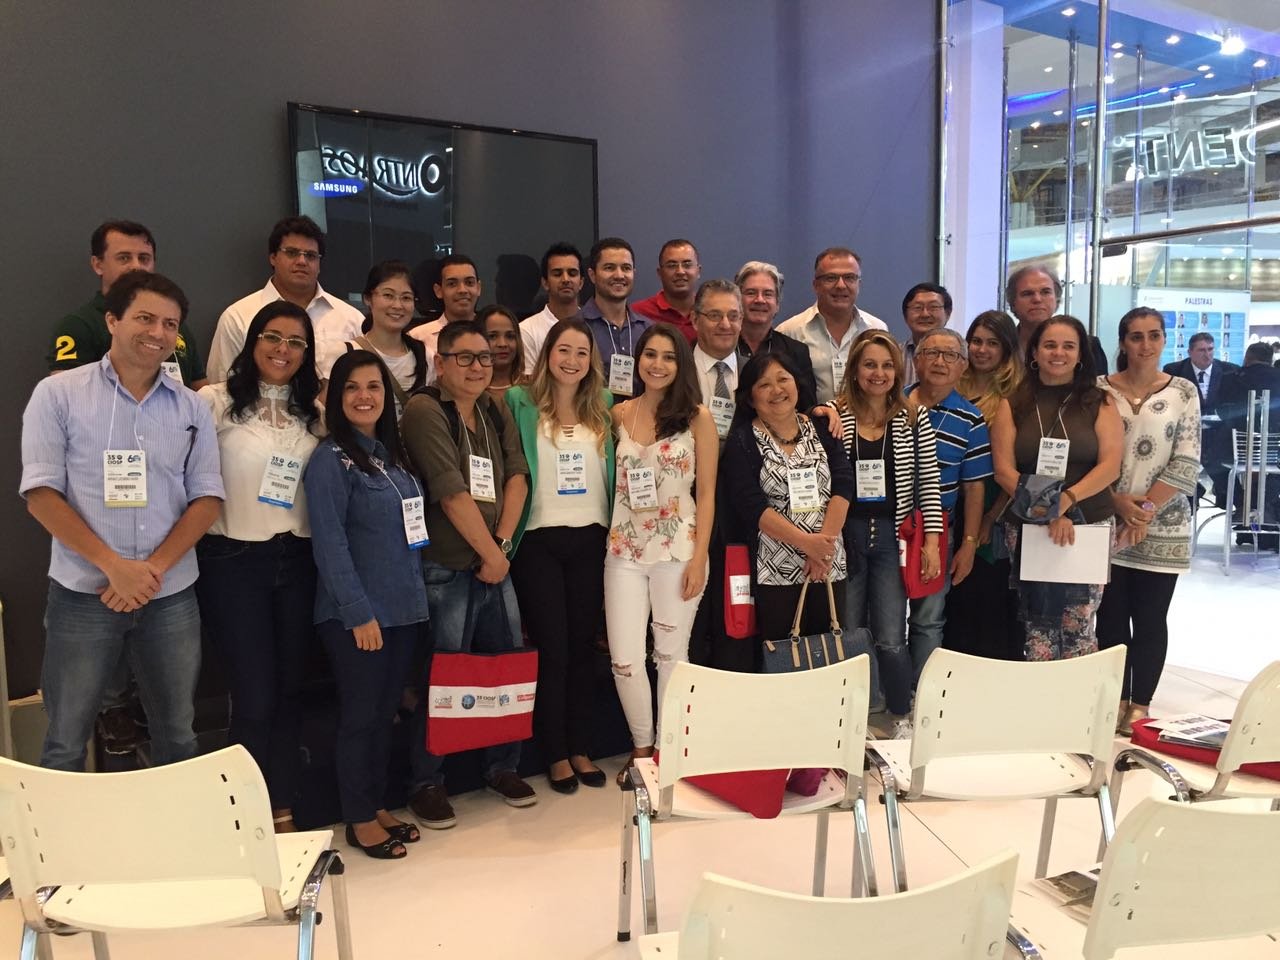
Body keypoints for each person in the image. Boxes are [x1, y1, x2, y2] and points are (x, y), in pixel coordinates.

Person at [20, 270, 224, 771]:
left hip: (169, 594)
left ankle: (171, 822)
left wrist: (149, 571)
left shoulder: (192, 407)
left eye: (170, 324)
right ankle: (64, 826)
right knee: (65, 738)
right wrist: (114, 567)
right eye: (145, 318)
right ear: (112, 320)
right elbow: (41, 495)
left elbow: (206, 499)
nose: (158, 332)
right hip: (83, 593)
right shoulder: (59, 394)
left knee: (178, 734)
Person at [400, 321, 536, 828]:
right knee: (444, 676)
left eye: (485, 357)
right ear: (440, 362)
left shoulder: (492, 408)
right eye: (465, 357)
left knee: (507, 666)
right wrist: (490, 554)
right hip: (448, 565)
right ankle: (426, 782)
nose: (478, 366)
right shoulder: (425, 409)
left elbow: (518, 475)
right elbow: (451, 491)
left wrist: (501, 548)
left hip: (495, 560)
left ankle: (503, 767)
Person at [196, 301, 324, 832]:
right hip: (233, 562)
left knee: (291, 689)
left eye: (296, 342)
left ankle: (283, 807)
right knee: (253, 694)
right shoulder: (215, 403)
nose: (283, 350)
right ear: (252, 343)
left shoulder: (314, 412)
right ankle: (243, 817)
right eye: (272, 337)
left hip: (298, 561)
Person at [304, 350, 429, 859]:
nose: (364, 396)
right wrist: (358, 612)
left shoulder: (392, 458)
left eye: (374, 387)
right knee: (360, 716)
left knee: (384, 715)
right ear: (336, 397)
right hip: (357, 616)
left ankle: (375, 804)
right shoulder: (330, 460)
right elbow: (330, 544)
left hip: (403, 609)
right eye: (352, 387)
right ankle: (357, 817)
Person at [606, 323, 717, 783]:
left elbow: (706, 494)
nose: (657, 364)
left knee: (672, 656)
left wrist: (699, 559)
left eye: (669, 356)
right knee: (625, 659)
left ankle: (669, 752)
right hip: (623, 550)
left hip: (678, 551)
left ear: (681, 364)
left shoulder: (697, 417)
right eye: (650, 354)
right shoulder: (618, 413)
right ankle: (641, 746)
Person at [506, 319, 615, 793]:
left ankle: (581, 747)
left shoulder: (604, 405)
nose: (572, 361)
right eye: (563, 350)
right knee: (553, 649)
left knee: (583, 648)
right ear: (547, 353)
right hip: (538, 540)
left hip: (592, 538)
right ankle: (554, 754)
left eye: (581, 353)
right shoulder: (520, 401)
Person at [991, 315, 1122, 661]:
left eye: (1068, 346)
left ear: (1080, 355)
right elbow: (1004, 470)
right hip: (1029, 525)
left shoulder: (1101, 401)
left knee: (1079, 623)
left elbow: (1110, 466)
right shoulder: (1012, 402)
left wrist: (1066, 500)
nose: (1058, 353)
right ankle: (1040, 694)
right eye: (1049, 345)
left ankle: (1080, 695)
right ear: (1034, 351)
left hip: (1089, 522)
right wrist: (1047, 510)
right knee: (1037, 625)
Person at [1096, 307, 1201, 735]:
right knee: (1110, 617)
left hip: (1164, 524)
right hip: (1106, 519)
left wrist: (1145, 510)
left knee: (1151, 617)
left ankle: (1141, 704)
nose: (1145, 345)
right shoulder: (1100, 389)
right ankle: (1116, 698)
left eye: (1153, 335)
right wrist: (1117, 504)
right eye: (1136, 336)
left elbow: (1188, 458)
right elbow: (1088, 454)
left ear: (1163, 340)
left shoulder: (1183, 391)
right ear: (1123, 342)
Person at [834, 330, 942, 736]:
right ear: (854, 370)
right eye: (869, 365)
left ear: (898, 372)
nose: (878, 373)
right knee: (847, 631)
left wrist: (932, 541)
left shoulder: (913, 417)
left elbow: (928, 483)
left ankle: (899, 711)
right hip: (846, 536)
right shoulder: (836, 415)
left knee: (892, 633)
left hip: (892, 537)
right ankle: (853, 711)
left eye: (886, 366)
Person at [722, 351, 853, 649]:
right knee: (783, 654)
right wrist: (807, 544)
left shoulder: (823, 427)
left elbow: (844, 485)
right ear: (750, 397)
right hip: (775, 569)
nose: (777, 390)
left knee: (828, 651)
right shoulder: (743, 440)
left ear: (797, 383)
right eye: (764, 385)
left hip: (829, 562)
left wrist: (823, 548)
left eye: (783, 379)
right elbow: (752, 506)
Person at [903, 328, 992, 681]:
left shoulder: (971, 419)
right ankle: (887, 691)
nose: (940, 362)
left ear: (963, 366)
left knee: (928, 618)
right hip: (888, 529)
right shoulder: (892, 403)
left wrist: (969, 543)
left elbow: (974, 487)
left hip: (938, 531)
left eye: (950, 355)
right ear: (916, 360)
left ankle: (921, 692)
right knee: (884, 618)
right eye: (931, 353)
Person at [945, 311, 1024, 660]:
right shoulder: (950, 387)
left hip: (995, 509)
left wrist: (992, 516)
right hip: (952, 506)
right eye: (976, 341)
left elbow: (1016, 467)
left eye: (992, 343)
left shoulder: (1016, 396)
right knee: (955, 599)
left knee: (989, 599)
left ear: (1006, 349)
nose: (982, 349)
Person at [48, 219, 207, 389]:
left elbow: (200, 389)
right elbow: (67, 395)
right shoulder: (79, 326)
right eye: (124, 258)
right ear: (98, 264)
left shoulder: (174, 325)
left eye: (144, 259)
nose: (136, 266)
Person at [207, 216, 365, 383]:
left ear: (319, 264)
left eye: (311, 255)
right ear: (273, 257)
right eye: (291, 253)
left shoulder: (351, 319)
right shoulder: (238, 317)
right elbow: (222, 385)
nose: (302, 261)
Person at [778, 247, 888, 404]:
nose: (841, 285)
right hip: (811, 418)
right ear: (816, 285)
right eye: (831, 278)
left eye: (849, 278)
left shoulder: (877, 329)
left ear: (859, 284)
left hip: (868, 419)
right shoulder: (788, 332)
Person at [335, 260, 428, 416]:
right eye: (388, 295)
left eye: (406, 298)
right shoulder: (343, 352)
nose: (397, 305)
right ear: (368, 298)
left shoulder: (426, 356)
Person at [734, 260, 818, 402]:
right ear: (737, 300)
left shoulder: (796, 352)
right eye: (751, 293)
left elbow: (807, 408)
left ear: (777, 304)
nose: (760, 300)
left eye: (768, 294)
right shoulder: (721, 346)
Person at [578, 237, 651, 398]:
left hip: (640, 413)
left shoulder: (648, 330)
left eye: (626, 268)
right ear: (592, 275)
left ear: (633, 273)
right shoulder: (574, 328)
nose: (619, 275)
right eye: (609, 268)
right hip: (591, 414)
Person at [1005, 265, 1108, 374]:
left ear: (1057, 299)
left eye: (1045, 292)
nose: (1037, 299)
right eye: (1027, 294)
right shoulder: (1002, 346)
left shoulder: (1088, 346)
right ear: (1013, 302)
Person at [408, 253, 483, 381]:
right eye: (452, 284)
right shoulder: (418, 338)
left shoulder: (493, 333)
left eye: (469, 283)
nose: (462, 290)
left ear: (478, 288)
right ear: (438, 291)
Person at [520, 242, 586, 372]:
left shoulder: (595, 326)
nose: (566, 279)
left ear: (581, 283)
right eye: (557, 274)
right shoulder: (527, 330)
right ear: (545, 283)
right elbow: (530, 382)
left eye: (572, 273)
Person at [632, 239, 702, 344]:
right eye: (672, 265)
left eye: (687, 265)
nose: (680, 272)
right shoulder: (637, 314)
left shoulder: (709, 313)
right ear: (660, 273)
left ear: (698, 271)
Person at [900, 283, 952, 386]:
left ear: (948, 313)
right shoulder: (893, 355)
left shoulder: (961, 357)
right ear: (905, 316)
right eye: (917, 307)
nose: (925, 314)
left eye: (933, 307)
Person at [480, 304, 528, 400]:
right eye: (492, 336)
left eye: (510, 336)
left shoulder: (535, 387)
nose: (503, 344)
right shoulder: (467, 390)